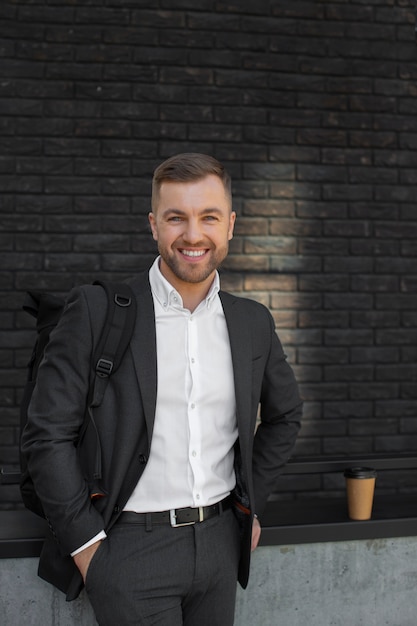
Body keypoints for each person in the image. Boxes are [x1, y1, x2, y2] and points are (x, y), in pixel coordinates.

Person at [22, 153, 303, 626]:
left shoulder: (252, 321)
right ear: (154, 225)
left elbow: (285, 415)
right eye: (177, 218)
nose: (193, 235)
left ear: (230, 225)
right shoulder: (96, 311)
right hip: (129, 551)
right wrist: (88, 547)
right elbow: (46, 436)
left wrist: (248, 506)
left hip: (218, 547)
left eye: (208, 217)